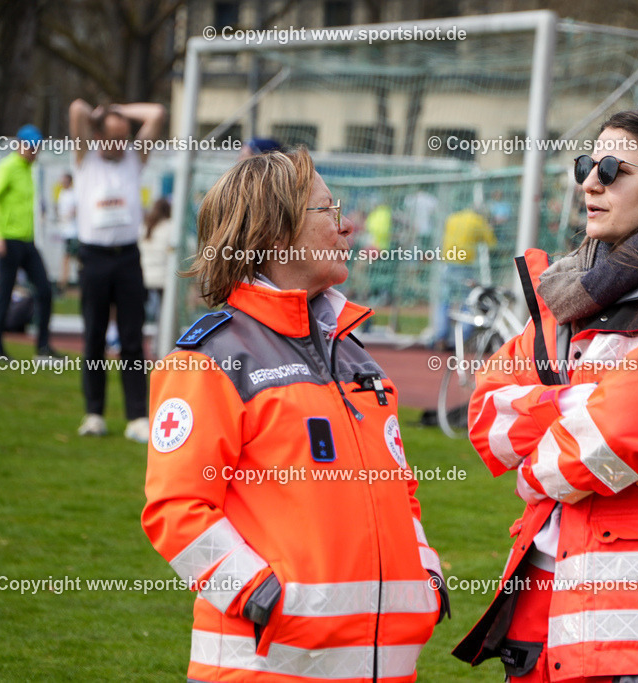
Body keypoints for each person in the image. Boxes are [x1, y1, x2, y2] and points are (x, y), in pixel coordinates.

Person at [453, 110, 638, 683]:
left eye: (615, 169)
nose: (590, 181)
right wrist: (594, 400)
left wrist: (557, 419)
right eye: (587, 165)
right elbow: (486, 419)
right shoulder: (565, 297)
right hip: (542, 599)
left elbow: (607, 443)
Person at [141, 150, 448, 682]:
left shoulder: (358, 358)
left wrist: (427, 574)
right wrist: (259, 594)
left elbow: (402, 491)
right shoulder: (211, 360)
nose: (346, 225)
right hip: (263, 670)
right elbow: (177, 509)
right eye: (328, 211)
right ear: (274, 234)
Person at [69, 99, 166, 441]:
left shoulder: (133, 160)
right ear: (97, 135)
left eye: (123, 137)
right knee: (94, 336)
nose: (118, 144)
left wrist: (120, 111)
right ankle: (94, 414)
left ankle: (137, 416)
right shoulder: (84, 158)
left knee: (132, 338)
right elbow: (77, 108)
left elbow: (155, 114)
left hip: (127, 257)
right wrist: (101, 114)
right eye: (111, 137)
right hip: (94, 257)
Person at [0, 124, 58, 360]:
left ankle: (43, 347)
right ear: (19, 145)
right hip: (8, 240)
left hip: (26, 241)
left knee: (45, 291)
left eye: (37, 148)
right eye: (31, 147)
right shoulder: (7, 168)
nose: (34, 152)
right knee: (4, 293)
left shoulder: (28, 170)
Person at [431, 206, 496, 350]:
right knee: (469, 302)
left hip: (447, 263)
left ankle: (440, 337)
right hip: (464, 265)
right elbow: (491, 242)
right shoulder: (477, 221)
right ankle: (462, 339)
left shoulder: (453, 217)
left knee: (444, 301)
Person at [139, 197, 171, 323]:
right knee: (163, 316)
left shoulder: (145, 226)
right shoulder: (170, 226)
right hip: (163, 277)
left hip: (144, 275)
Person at [56, 173, 79, 292]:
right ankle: (63, 285)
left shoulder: (74, 194)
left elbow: (77, 210)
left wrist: (70, 215)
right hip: (66, 232)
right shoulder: (62, 194)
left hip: (74, 232)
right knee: (66, 258)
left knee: (75, 258)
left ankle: (69, 284)